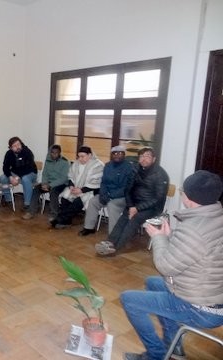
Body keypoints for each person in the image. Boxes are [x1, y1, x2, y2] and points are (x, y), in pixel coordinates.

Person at [120, 170, 223, 360]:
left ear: (189, 197)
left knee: (129, 299)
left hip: (199, 307)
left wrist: (159, 238)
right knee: (152, 282)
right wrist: (169, 237)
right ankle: (173, 346)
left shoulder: (194, 229)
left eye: (183, 190)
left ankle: (156, 355)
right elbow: (195, 252)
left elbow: (165, 266)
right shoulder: (215, 216)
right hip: (212, 296)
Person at [95, 147, 169, 256]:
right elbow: (127, 190)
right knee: (124, 217)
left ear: (154, 159)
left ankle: (116, 248)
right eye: (141, 156)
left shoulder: (160, 174)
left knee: (134, 219)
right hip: (134, 204)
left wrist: (137, 208)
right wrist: (131, 206)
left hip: (152, 207)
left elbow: (158, 198)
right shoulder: (135, 169)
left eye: (147, 156)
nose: (144, 159)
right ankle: (109, 242)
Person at [78, 145, 135, 236]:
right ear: (111, 155)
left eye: (120, 153)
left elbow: (127, 187)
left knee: (112, 205)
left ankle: (113, 235)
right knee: (93, 201)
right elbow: (103, 182)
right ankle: (89, 228)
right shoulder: (108, 165)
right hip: (107, 194)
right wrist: (103, 193)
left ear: (124, 155)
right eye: (114, 153)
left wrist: (111, 195)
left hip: (123, 197)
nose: (117, 155)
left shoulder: (129, 167)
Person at [51, 146, 104, 228]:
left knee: (78, 202)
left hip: (90, 191)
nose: (80, 159)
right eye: (79, 156)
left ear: (89, 155)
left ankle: (59, 219)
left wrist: (81, 190)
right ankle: (66, 222)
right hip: (76, 188)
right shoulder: (76, 163)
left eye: (83, 156)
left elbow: (95, 183)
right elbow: (71, 176)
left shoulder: (98, 165)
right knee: (64, 198)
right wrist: (71, 186)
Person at [22, 144, 70, 222]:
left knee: (53, 192)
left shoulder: (65, 162)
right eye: (52, 152)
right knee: (36, 189)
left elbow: (64, 178)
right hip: (48, 183)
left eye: (56, 153)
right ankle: (31, 212)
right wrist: (44, 183)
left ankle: (55, 214)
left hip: (60, 184)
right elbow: (45, 173)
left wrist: (50, 185)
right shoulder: (48, 160)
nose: (54, 154)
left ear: (60, 153)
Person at [0, 137, 37, 210]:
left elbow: (28, 168)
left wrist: (17, 178)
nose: (18, 147)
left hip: (30, 173)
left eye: (19, 144)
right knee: (3, 177)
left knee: (25, 178)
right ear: (10, 148)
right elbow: (5, 167)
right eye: (15, 146)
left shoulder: (27, 152)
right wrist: (10, 177)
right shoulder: (9, 154)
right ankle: (9, 200)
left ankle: (27, 204)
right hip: (16, 173)